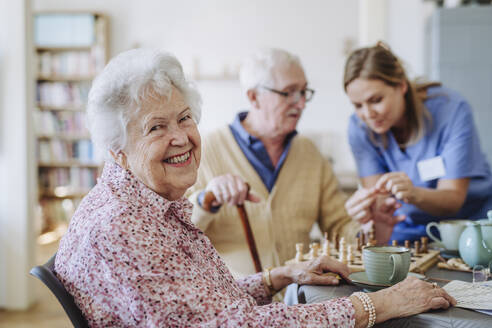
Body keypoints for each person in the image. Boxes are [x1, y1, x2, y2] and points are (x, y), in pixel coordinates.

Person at [54, 48, 455, 328]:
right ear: (118, 150)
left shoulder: (144, 206)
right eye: (156, 127)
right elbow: (231, 323)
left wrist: (280, 275)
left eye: (184, 118)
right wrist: (375, 305)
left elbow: (202, 303)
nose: (181, 137)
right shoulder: (121, 226)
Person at [186, 48, 401, 278]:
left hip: (300, 301)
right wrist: (206, 200)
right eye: (288, 93)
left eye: (303, 92)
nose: (300, 104)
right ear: (254, 97)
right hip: (235, 301)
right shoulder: (206, 150)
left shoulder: (309, 153)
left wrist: (373, 228)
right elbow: (179, 233)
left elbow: (339, 227)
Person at [343, 42, 492, 243]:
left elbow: (453, 199)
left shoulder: (452, 111)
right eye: (358, 105)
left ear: (401, 85)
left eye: (376, 100)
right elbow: (381, 202)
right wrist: (367, 209)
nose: (368, 114)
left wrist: (413, 193)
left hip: (468, 224)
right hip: (409, 228)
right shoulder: (359, 128)